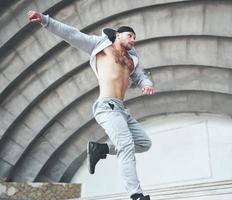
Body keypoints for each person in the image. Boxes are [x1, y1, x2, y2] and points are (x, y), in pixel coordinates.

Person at [27, 10, 155, 200]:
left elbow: (140, 76)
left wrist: (146, 85)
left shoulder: (131, 59)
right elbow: (73, 34)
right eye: (130, 36)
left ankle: (101, 149)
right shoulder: (101, 46)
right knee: (126, 145)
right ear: (118, 35)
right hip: (106, 107)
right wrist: (46, 21)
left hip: (121, 109)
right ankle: (136, 195)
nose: (133, 40)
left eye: (135, 38)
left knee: (144, 143)